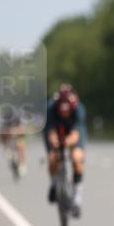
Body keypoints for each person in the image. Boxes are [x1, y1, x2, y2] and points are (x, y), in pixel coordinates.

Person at [45, 84, 87, 217]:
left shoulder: (79, 109)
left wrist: (68, 141)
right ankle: (54, 184)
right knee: (53, 157)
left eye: (67, 110)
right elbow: (51, 131)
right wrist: (55, 142)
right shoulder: (51, 108)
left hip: (73, 131)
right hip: (56, 130)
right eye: (62, 109)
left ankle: (77, 199)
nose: (64, 112)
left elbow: (76, 133)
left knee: (76, 158)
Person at [0, 104, 26, 176]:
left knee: (21, 146)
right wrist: (8, 133)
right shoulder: (5, 119)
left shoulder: (18, 119)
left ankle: (22, 164)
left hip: (18, 138)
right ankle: (7, 151)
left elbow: (22, 129)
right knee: (4, 137)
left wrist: (14, 131)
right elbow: (2, 132)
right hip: (9, 139)